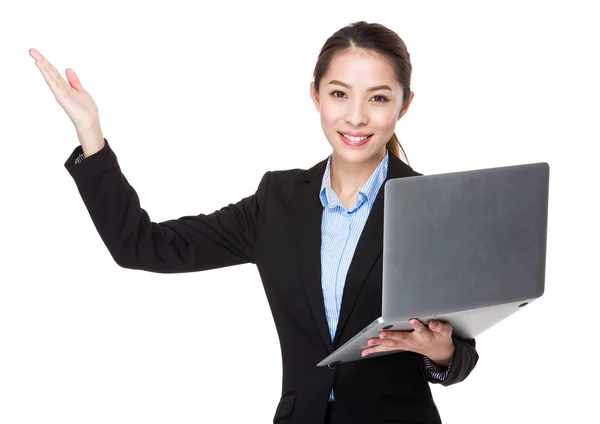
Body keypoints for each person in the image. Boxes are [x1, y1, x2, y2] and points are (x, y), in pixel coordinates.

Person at [30, 20, 478, 424]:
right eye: (339, 94)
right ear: (315, 95)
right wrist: (91, 134)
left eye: (378, 98)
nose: (356, 116)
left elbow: (461, 355)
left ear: (405, 104)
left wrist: (441, 352)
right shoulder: (277, 203)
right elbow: (142, 246)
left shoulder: (428, 206)